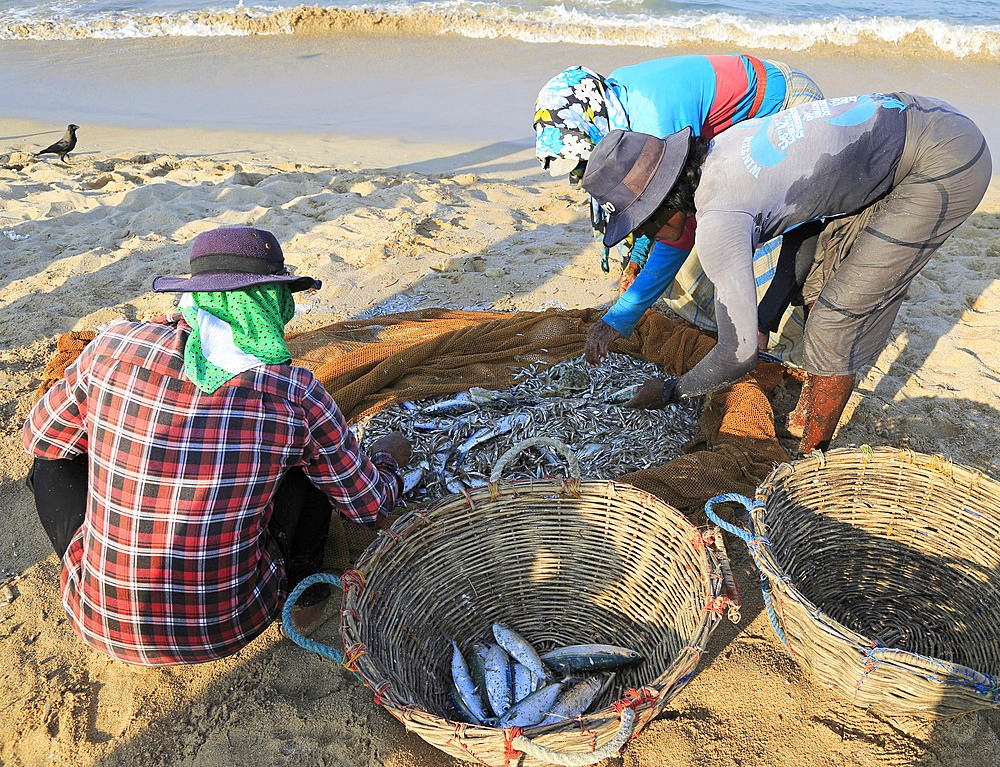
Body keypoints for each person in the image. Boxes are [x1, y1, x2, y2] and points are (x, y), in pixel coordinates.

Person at [22, 226, 411, 665]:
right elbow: (370, 507)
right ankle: (307, 601)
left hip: (94, 619)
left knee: (49, 464)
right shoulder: (296, 394)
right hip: (230, 626)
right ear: (274, 302)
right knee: (312, 469)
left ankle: (108, 573)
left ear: (194, 297)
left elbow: (38, 436)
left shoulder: (114, 345)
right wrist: (387, 456)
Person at [580, 93, 991, 455]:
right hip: (913, 116)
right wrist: (763, 318)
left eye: (643, 225)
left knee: (835, 320)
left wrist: (670, 392)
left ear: (664, 204)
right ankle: (815, 398)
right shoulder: (723, 147)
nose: (647, 235)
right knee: (816, 283)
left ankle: (811, 460)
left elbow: (737, 355)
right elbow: (807, 221)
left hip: (944, 160)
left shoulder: (719, 220)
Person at [533, 54, 823, 357]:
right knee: (670, 255)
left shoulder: (657, 124)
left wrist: (622, 316)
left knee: (735, 233)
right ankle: (736, 322)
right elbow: (644, 206)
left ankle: (771, 333)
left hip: (786, 108)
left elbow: (677, 232)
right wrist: (637, 259)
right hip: (727, 137)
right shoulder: (612, 103)